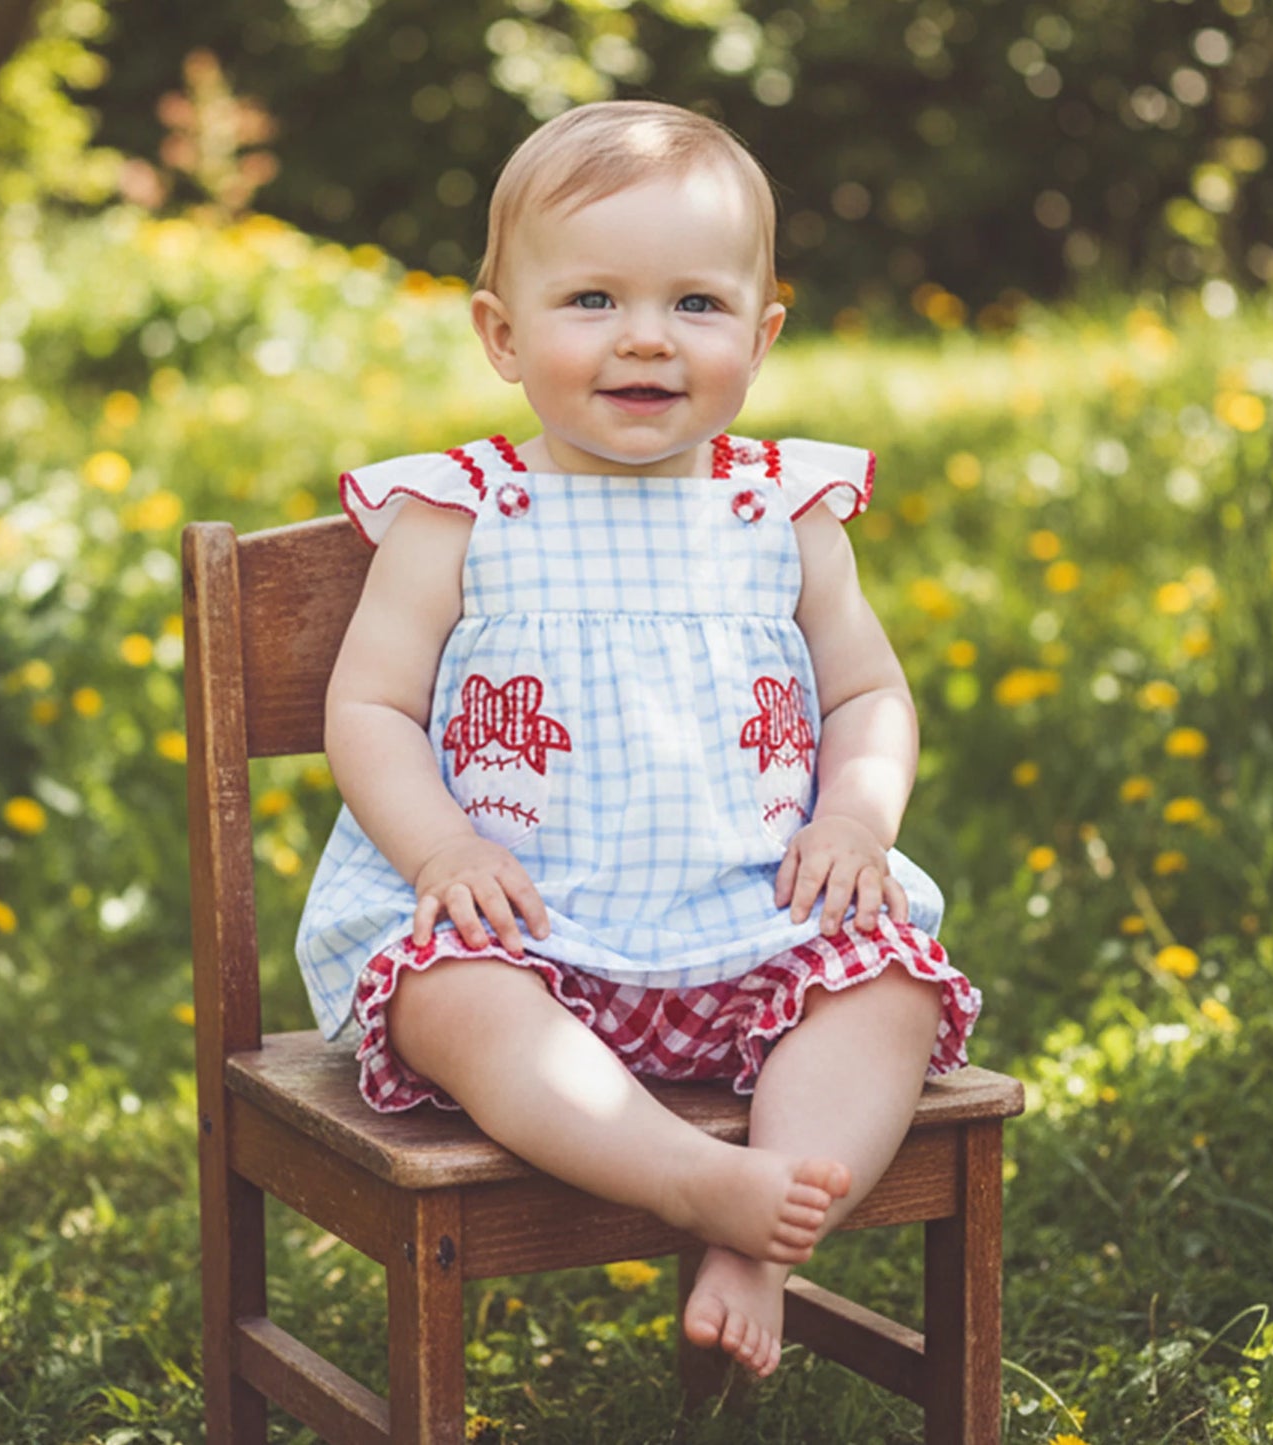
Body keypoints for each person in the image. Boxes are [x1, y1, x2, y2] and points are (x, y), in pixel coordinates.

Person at [297, 99, 980, 1380]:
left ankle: (761, 1235)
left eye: (697, 304)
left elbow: (866, 693)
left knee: (886, 986)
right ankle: (689, 1177)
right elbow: (371, 705)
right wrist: (441, 851)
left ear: (760, 334)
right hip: (526, 926)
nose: (647, 337)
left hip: (753, 920)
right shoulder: (460, 512)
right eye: (593, 300)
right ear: (502, 333)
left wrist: (852, 817)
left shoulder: (783, 510)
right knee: (455, 998)